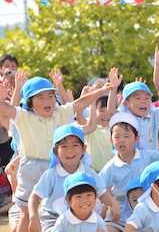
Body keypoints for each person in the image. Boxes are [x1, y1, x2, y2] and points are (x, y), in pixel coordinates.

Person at [0, 75, 114, 232]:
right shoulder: (23, 116)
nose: (47, 101)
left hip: (55, 166)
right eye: (40, 97)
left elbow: (80, 103)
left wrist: (100, 91)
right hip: (30, 168)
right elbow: (5, 109)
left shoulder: (60, 112)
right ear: (29, 102)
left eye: (51, 96)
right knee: (26, 213)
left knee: (60, 209)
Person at [28, 124, 120, 232]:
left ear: (84, 149)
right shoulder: (50, 175)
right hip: (52, 218)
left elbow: (102, 193)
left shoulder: (89, 173)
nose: (70, 150)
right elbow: (34, 198)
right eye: (64, 146)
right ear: (55, 152)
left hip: (83, 217)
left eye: (75, 145)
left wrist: (113, 204)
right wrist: (33, 216)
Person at [99, 112, 159, 232]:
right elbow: (98, 186)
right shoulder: (111, 166)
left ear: (137, 139)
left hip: (147, 206)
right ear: (111, 141)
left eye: (127, 136)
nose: (121, 140)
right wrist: (112, 203)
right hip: (121, 209)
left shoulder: (146, 155)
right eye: (117, 137)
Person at [107, 67, 159, 151]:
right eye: (138, 98)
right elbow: (111, 110)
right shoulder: (125, 118)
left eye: (147, 98)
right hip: (131, 162)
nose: (143, 102)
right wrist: (113, 88)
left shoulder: (154, 115)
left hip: (151, 161)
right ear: (126, 103)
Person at [84, 95, 113, 172]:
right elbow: (80, 118)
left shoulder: (116, 129)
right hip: (92, 171)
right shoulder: (91, 129)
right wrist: (91, 103)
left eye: (109, 110)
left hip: (112, 172)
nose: (106, 114)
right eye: (101, 110)